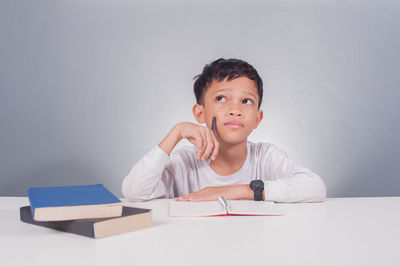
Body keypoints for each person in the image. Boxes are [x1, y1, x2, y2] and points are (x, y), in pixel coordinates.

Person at [122, 58, 326, 202]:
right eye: (221, 99)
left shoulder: (265, 157)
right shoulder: (183, 163)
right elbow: (135, 192)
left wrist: (235, 191)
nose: (235, 110)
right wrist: (176, 133)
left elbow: (315, 187)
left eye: (246, 101)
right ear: (199, 113)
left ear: (257, 119)